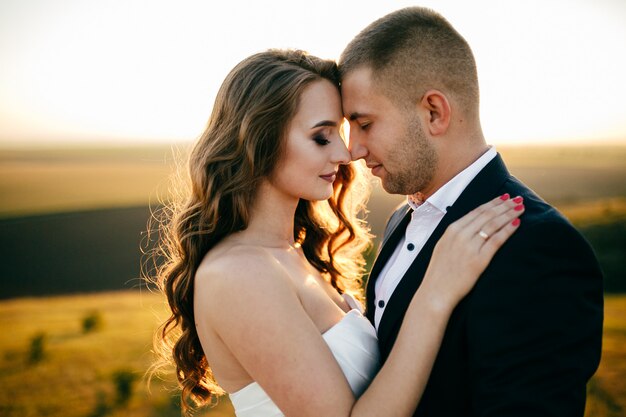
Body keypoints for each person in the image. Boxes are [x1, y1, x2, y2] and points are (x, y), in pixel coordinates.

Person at [151, 48, 524, 417]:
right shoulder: (238, 275)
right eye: (321, 137)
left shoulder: (293, 253)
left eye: (342, 133)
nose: (346, 154)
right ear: (259, 142)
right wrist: (435, 294)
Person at [338, 6, 604, 416]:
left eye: (365, 123)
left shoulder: (538, 246)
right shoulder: (399, 220)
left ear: (434, 112)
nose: (352, 148)